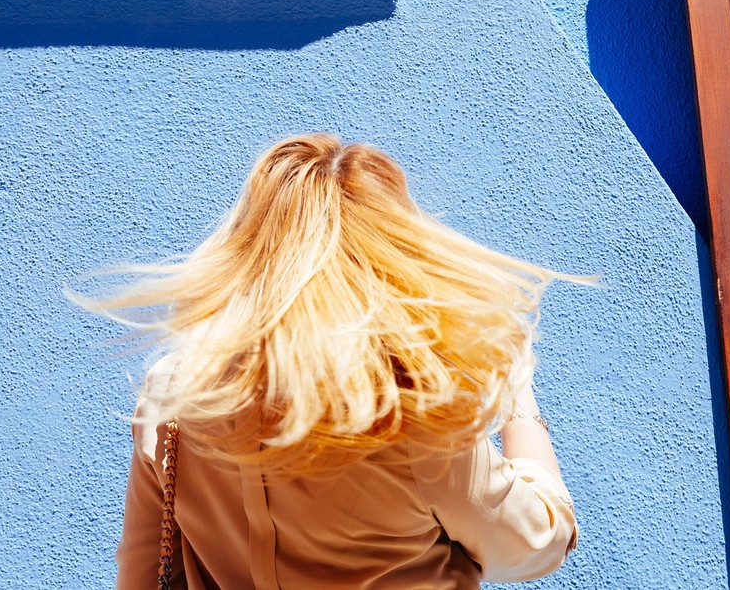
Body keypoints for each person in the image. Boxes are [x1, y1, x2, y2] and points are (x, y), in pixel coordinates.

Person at [80, 133, 580, 588]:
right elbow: (535, 546)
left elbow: (141, 574)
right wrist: (518, 399)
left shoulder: (175, 393)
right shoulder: (407, 420)